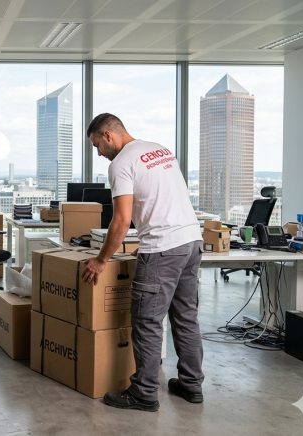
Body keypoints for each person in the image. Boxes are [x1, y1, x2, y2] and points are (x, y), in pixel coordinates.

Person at [81, 113, 204, 412]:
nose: (98, 153)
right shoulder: (159, 149)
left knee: (147, 322)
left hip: (164, 248)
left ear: (108, 135)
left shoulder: (121, 163)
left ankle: (144, 393)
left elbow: (122, 220)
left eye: (97, 145)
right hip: (190, 242)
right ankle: (191, 385)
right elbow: (166, 199)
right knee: (186, 317)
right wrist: (151, 245)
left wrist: (100, 260)